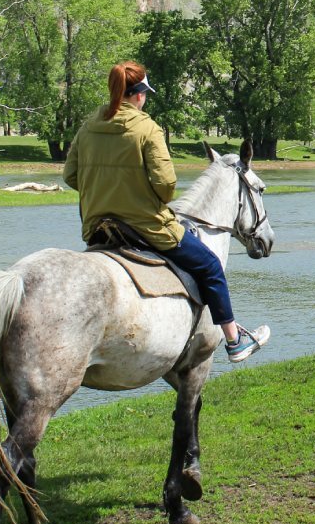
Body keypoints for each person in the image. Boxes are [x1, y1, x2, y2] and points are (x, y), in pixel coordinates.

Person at [63, 61, 270, 362]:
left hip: (98, 227)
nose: (144, 99)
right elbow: (165, 187)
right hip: (144, 227)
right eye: (144, 93)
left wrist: (104, 189)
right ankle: (234, 340)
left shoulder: (88, 126)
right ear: (138, 95)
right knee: (210, 266)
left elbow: (71, 176)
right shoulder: (147, 128)